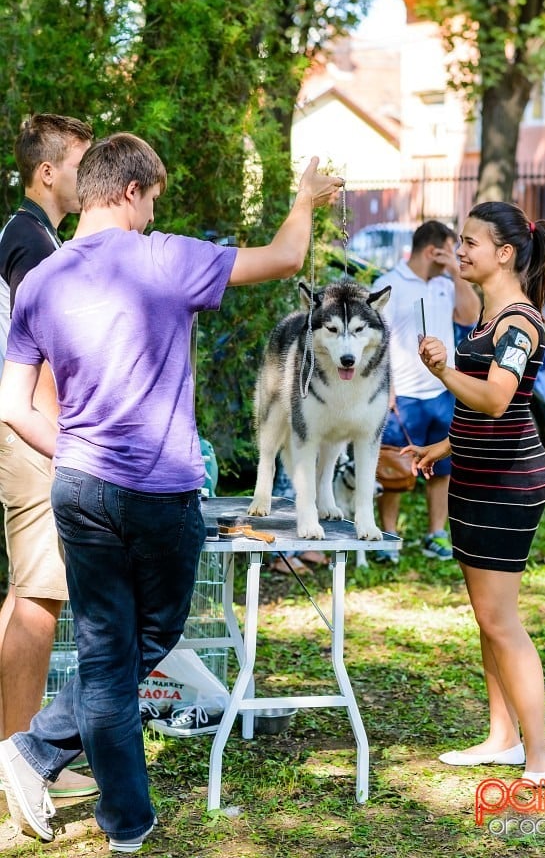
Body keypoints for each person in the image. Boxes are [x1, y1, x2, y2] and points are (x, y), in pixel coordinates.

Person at [0, 133, 343, 849]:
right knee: (144, 640)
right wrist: (305, 201)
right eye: (152, 198)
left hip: (78, 486)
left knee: (105, 651)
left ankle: (98, 802)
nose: (155, 213)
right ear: (129, 190)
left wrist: (72, 453)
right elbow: (284, 259)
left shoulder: (42, 280)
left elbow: (12, 402)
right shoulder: (165, 257)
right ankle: (58, 769)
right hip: (158, 492)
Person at [404, 201, 545, 783]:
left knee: (501, 621)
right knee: (486, 618)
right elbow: (495, 413)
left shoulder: (518, 323)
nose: (460, 251)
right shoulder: (491, 321)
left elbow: (495, 398)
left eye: (471, 242)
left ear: (505, 253)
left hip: (507, 485)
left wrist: (444, 372)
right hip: (476, 474)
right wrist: (442, 448)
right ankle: (503, 737)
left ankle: (539, 752)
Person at [0, 114, 98, 799]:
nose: (89, 179)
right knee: (40, 600)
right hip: (32, 431)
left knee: (23, 597)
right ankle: (21, 765)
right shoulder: (30, 241)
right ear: (48, 171)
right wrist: (69, 437)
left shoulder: (33, 233)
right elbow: (45, 350)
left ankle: (10, 747)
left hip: (26, 427)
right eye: (81, 165)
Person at [372, 220, 480, 563]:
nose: (460, 254)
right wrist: (384, 390)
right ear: (433, 249)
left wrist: (455, 273)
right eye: (453, 248)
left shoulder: (447, 284)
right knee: (395, 467)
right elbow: (375, 344)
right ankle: (388, 537)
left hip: (443, 393)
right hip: (402, 395)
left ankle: (436, 534)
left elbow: (471, 315)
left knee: (443, 469)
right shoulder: (388, 284)